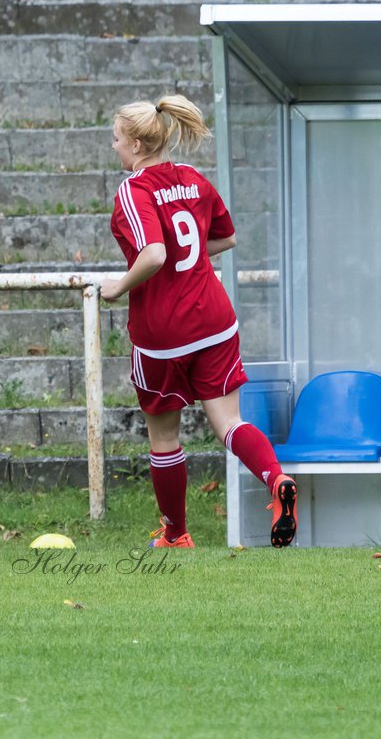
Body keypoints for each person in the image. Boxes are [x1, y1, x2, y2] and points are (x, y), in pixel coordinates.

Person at [100, 94, 297, 549]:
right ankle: (276, 480)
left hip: (164, 332)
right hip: (215, 319)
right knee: (229, 423)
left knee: (164, 437)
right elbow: (225, 238)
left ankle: (176, 534)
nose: (114, 148)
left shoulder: (135, 190)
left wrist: (119, 285)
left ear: (134, 143)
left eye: (115, 139)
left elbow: (153, 254)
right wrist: (182, 265)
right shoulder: (193, 179)